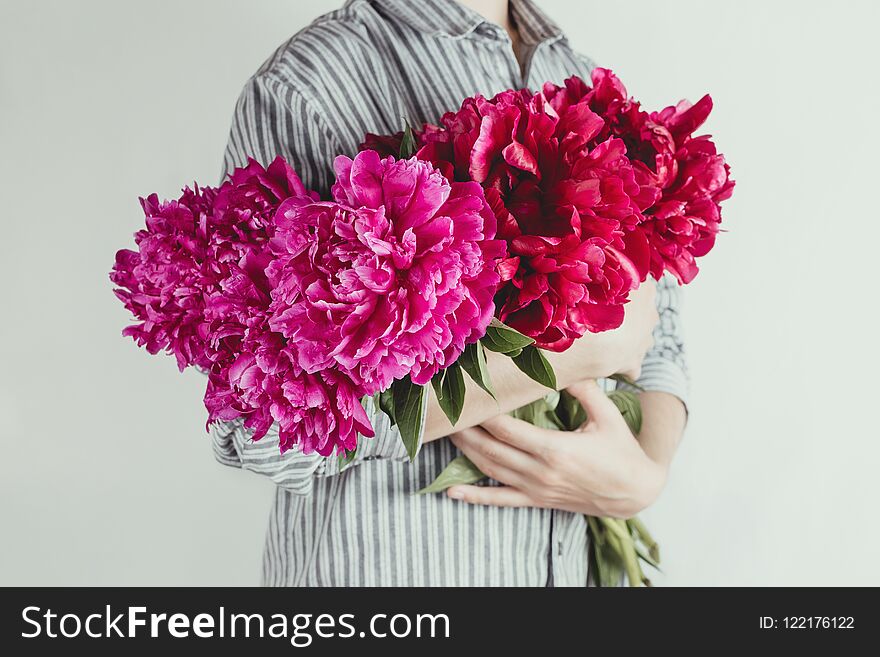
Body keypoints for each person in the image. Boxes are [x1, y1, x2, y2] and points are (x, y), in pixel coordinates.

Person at [214, 0, 688, 586]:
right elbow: (260, 425)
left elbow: (660, 332)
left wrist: (644, 476)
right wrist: (565, 358)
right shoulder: (307, 84)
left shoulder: (576, 73)